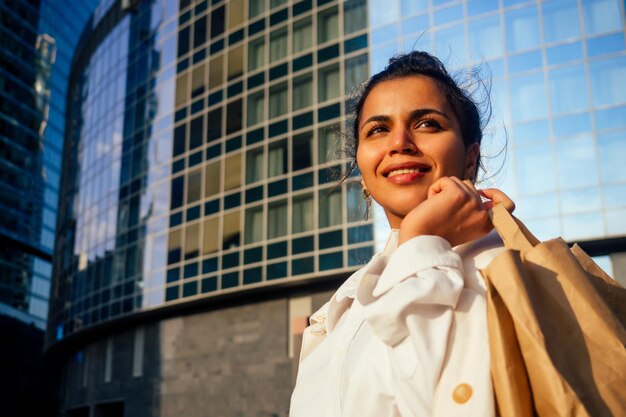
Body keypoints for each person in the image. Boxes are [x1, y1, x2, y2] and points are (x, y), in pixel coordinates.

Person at [289, 51, 515, 417]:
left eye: (427, 124)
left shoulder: (504, 275)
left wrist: (421, 237)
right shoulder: (341, 307)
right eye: (377, 130)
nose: (399, 143)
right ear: (362, 170)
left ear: (470, 158)